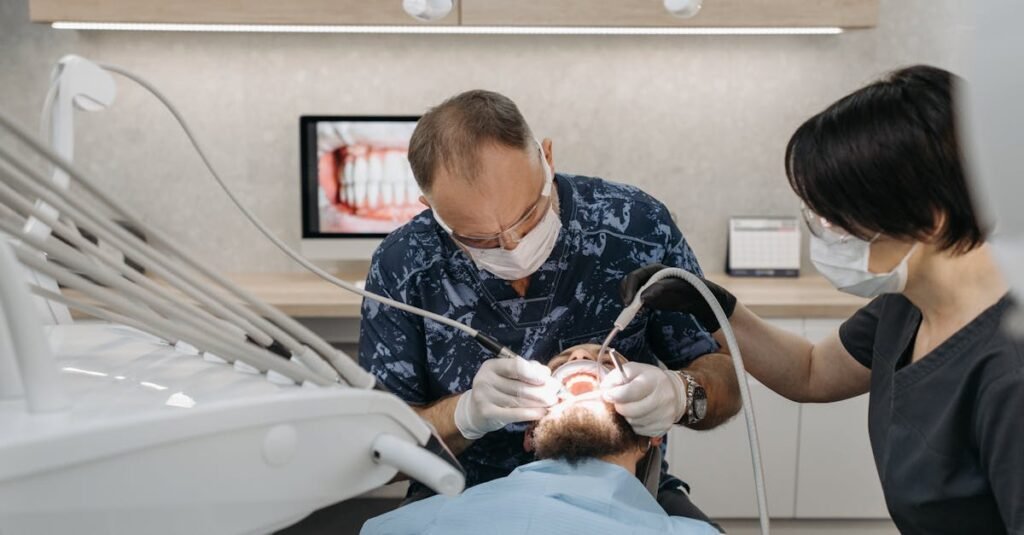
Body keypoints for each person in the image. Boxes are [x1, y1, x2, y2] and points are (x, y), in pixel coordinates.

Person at [621, 65, 1024, 534]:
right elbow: (811, 372)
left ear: (930, 220)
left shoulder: (1008, 371)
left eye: (838, 216)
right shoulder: (912, 299)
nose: (824, 231)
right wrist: (712, 306)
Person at [358, 89, 741, 522]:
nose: (512, 245)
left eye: (528, 218)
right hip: (458, 496)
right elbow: (376, 451)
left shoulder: (636, 227)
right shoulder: (405, 265)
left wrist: (683, 394)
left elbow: (726, 376)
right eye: (479, 239)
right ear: (432, 210)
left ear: (548, 158)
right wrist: (463, 415)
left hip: (627, 495)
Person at [360, 345, 719, 535]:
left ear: (653, 433)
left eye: (607, 363)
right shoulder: (414, 524)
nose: (580, 357)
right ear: (530, 434)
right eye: (562, 364)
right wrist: (463, 412)